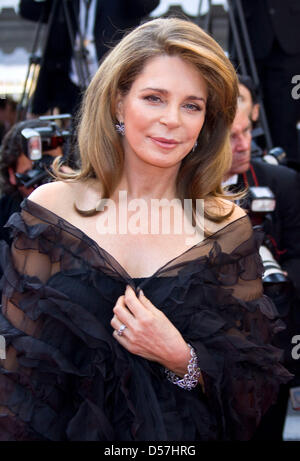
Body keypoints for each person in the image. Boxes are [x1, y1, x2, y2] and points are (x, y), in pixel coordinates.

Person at [0, 18, 292, 441]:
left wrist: (181, 357)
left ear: (207, 122)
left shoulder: (225, 228)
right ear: (118, 103)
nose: (172, 119)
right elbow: (16, 378)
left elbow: (252, 392)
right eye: (154, 98)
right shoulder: (49, 211)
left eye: (192, 105)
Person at [224, 106, 300, 439]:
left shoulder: (281, 182)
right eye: (231, 137)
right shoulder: (175, 188)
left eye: (247, 132)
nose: (244, 145)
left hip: (272, 338)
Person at [19, 0, 160, 115]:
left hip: (115, 82)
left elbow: (149, 4)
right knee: (77, 138)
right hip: (74, 86)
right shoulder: (66, 4)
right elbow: (28, 9)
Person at [232, 0, 300, 161]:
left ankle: (289, 176)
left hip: (291, 36)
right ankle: (255, 170)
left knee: (287, 117)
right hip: (250, 33)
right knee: (248, 114)